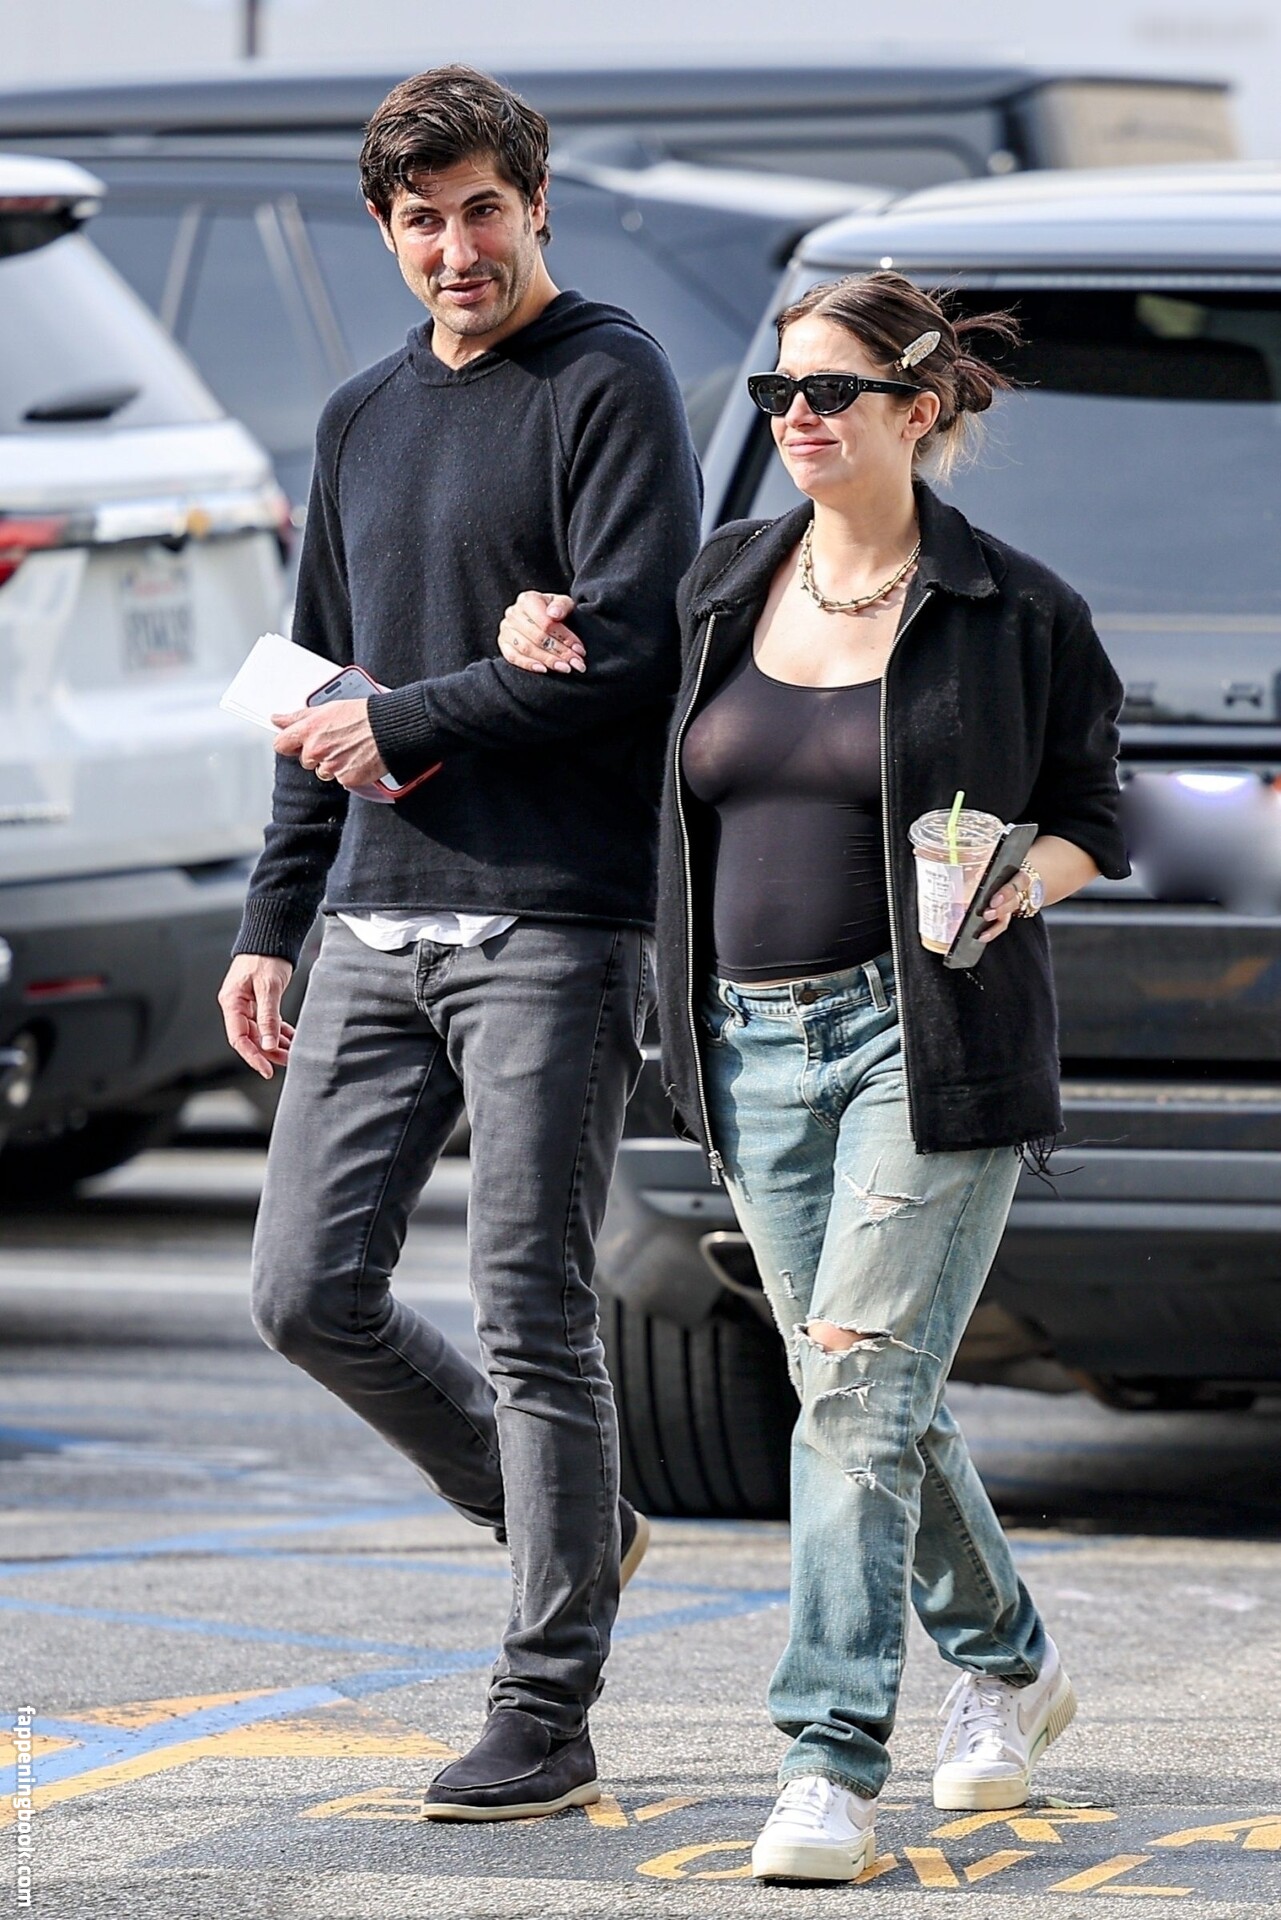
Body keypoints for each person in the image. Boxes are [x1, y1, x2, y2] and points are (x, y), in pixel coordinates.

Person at [495, 271, 1128, 1881]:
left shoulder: (1012, 609)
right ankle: (1010, 1662)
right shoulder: (724, 582)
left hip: (924, 1044)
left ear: (918, 410)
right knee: (862, 1393)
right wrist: (533, 637)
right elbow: (620, 716)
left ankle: (827, 1760)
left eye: (832, 391)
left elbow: (1092, 814)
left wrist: (1021, 881)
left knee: (849, 1386)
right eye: (781, 390)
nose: (797, 416)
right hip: (744, 1045)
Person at [217, 65, 702, 1822]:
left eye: (482, 210)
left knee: (530, 1310)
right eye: (421, 221)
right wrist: (272, 917)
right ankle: (562, 1520)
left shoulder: (605, 380)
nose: (456, 249)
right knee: (302, 1292)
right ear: (384, 230)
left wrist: (419, 716)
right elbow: (318, 691)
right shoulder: (359, 417)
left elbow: (631, 653)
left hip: (552, 920)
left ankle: (543, 1707)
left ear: (535, 204)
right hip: (367, 910)